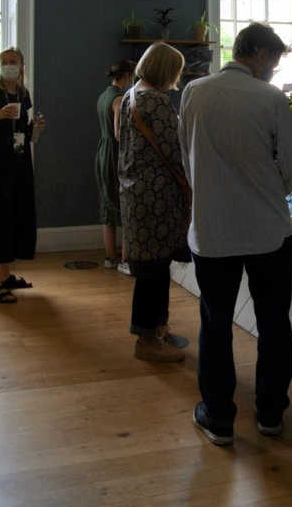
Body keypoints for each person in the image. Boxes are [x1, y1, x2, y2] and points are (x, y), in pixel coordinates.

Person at [178, 22, 292, 446]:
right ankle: (270, 412)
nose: (274, 68)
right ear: (261, 54)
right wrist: (267, 190)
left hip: (212, 229)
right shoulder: (270, 98)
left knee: (215, 324)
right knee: (273, 322)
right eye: (276, 59)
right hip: (267, 229)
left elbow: (186, 157)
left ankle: (218, 418)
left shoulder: (195, 91)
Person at [117, 43, 191, 363]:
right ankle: (147, 341)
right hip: (157, 197)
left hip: (136, 192)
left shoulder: (132, 94)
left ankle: (157, 329)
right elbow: (175, 150)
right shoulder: (157, 102)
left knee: (151, 268)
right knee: (155, 272)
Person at [0, 47, 46, 303]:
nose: (8, 66)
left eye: (13, 62)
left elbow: (23, 133)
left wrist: (35, 129)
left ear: (22, 65)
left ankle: (5, 276)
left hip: (18, 165)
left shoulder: (23, 94)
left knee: (11, 219)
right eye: (4, 62)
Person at [95, 59, 135, 272]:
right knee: (125, 205)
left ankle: (110, 257)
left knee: (107, 205)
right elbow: (120, 133)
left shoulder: (103, 96)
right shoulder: (119, 99)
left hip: (102, 150)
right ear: (127, 76)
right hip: (114, 154)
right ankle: (126, 261)